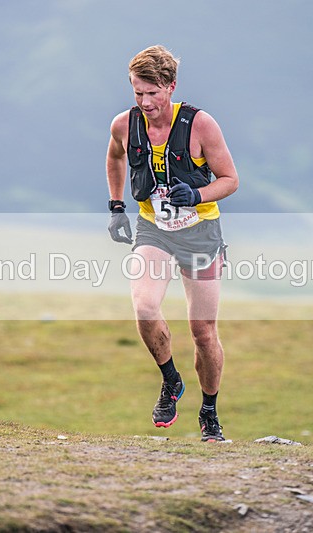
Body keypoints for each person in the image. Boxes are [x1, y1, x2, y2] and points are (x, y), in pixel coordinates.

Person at [105, 45, 239, 442]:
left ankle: (210, 412)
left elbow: (230, 180)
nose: (145, 102)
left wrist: (196, 196)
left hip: (200, 233)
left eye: (153, 93)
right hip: (154, 229)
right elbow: (114, 157)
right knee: (145, 306)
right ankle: (170, 380)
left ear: (171, 86)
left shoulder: (201, 125)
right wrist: (116, 207)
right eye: (138, 93)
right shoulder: (123, 125)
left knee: (203, 332)